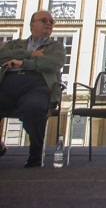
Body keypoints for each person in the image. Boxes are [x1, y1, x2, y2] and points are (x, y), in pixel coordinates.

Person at [0, 10, 66, 168]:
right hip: (7, 84)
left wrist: (22, 62)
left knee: (34, 108)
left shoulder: (56, 46)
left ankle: (35, 155)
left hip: (37, 85)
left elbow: (53, 63)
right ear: (32, 25)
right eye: (44, 20)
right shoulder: (15, 44)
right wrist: (30, 54)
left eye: (51, 21)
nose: (49, 23)